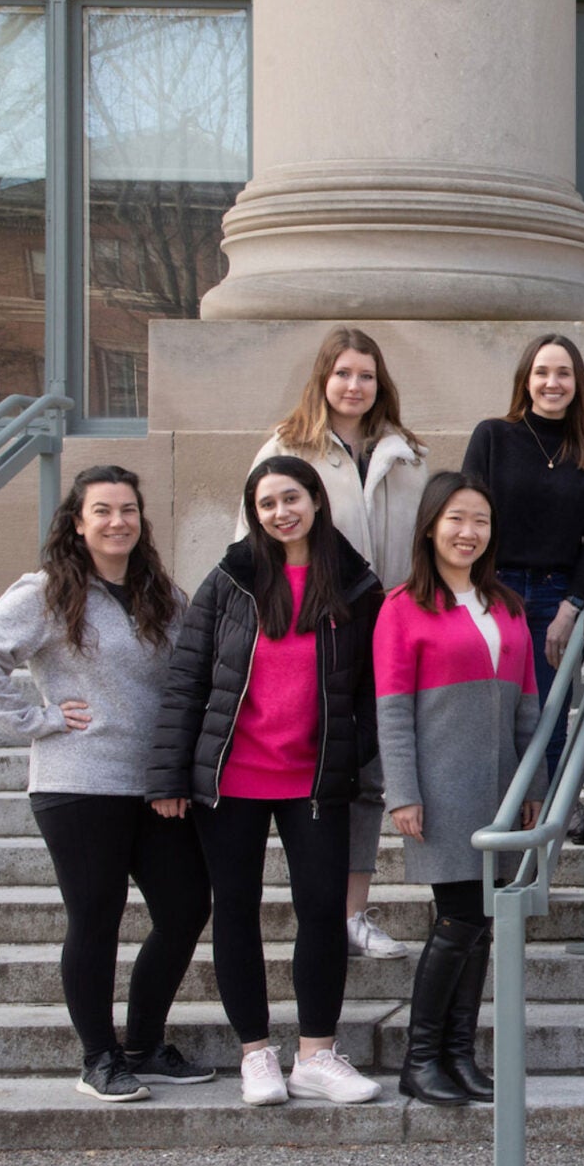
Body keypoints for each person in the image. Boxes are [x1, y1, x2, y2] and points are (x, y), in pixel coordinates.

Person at [0, 465, 212, 1104]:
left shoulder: (161, 593)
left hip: (153, 786)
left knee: (184, 909)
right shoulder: (46, 592)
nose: (117, 521)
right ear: (78, 521)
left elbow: (187, 682)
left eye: (128, 509)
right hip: (79, 783)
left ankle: (144, 1046)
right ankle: (99, 1058)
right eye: (102, 510)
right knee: (95, 918)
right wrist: (35, 719)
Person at [148, 456, 385, 1107]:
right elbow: (188, 680)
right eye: (267, 503)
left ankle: (316, 1054)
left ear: (315, 498)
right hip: (232, 780)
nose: (282, 512)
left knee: (321, 911)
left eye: (292, 498)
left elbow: (374, 686)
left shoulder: (358, 586)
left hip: (315, 781)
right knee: (238, 912)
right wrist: (169, 773)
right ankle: (255, 1053)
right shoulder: (230, 580)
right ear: (254, 513)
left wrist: (350, 752)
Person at [242, 327, 430, 963]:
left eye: (367, 376)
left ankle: (352, 913)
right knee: (323, 775)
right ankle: (319, 910)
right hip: (313, 633)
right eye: (344, 373)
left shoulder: (406, 455)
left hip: (391, 632)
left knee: (373, 773)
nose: (355, 386)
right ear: (324, 378)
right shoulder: (286, 447)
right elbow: (256, 543)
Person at [374, 473, 544, 1104]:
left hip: (501, 786)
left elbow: (528, 702)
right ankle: (421, 1061)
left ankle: (458, 1056)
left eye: (481, 521)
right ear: (430, 526)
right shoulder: (402, 607)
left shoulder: (506, 604)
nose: (469, 532)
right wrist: (403, 791)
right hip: (441, 787)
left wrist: (536, 782)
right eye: (456, 519)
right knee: (459, 918)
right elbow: (391, 709)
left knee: (480, 925)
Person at [463, 332, 584, 769]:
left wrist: (571, 607)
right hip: (493, 589)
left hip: (556, 599)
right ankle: (496, 822)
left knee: (547, 720)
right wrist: (475, 591)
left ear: (577, 382)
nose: (553, 382)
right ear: (526, 380)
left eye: (563, 373)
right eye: (542, 372)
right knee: (492, 716)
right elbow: (465, 516)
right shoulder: (493, 436)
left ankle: (542, 826)